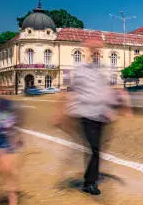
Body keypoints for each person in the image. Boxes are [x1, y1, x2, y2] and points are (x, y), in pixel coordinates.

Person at [54, 37, 130, 195]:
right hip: (85, 114)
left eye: (99, 49)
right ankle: (89, 183)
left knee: (96, 148)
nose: (97, 51)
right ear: (87, 50)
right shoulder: (79, 69)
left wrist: (119, 105)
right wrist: (60, 112)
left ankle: (89, 176)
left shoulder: (104, 68)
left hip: (101, 115)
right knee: (94, 149)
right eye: (94, 48)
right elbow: (69, 91)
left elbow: (108, 88)